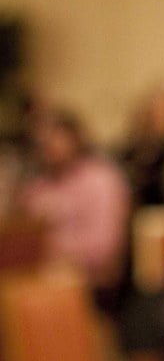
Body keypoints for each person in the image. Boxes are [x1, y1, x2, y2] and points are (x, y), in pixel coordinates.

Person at [19, 110, 130, 289]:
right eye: (42, 139)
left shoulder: (101, 180)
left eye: (56, 137)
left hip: (92, 285)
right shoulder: (36, 186)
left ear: (75, 138)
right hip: (41, 281)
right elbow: (21, 240)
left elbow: (104, 248)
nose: (49, 144)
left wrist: (49, 250)